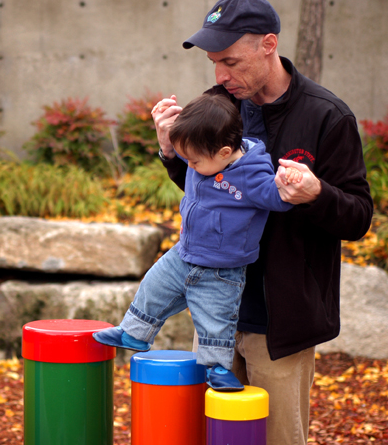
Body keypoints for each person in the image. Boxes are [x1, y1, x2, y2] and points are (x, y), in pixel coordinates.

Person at [150, 0, 373, 444]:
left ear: (268, 45)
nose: (220, 75)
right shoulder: (218, 106)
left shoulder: (327, 116)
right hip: (215, 312)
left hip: (281, 324)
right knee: (207, 436)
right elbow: (206, 192)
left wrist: (316, 194)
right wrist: (172, 151)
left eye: (230, 62)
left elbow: (357, 218)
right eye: (214, 62)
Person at [93, 92, 300, 391]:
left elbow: (275, 198)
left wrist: (288, 183)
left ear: (225, 152)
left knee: (215, 319)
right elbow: (185, 155)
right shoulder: (203, 156)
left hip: (222, 269)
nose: (188, 166)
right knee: (153, 286)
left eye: (193, 161)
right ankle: (135, 333)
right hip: (184, 252)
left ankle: (217, 368)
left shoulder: (252, 174)